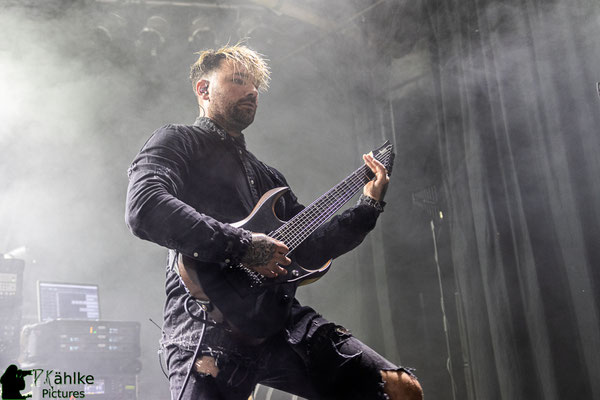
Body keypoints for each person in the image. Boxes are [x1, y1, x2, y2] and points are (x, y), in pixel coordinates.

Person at [125, 43, 423, 400]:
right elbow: (144, 207)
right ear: (203, 90)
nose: (251, 90)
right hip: (206, 326)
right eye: (237, 80)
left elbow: (310, 248)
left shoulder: (268, 177)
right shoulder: (177, 140)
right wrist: (245, 247)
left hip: (280, 323)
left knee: (399, 391)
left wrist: (368, 206)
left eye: (255, 85)